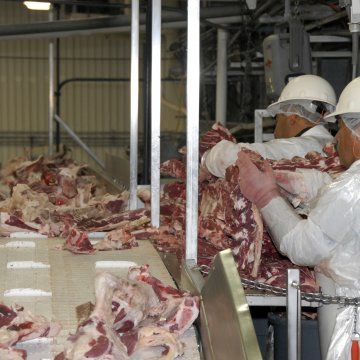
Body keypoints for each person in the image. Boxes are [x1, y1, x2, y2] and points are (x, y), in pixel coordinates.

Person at [237, 76, 360, 360]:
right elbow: (344, 212)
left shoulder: (352, 187)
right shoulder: (349, 186)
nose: (337, 137)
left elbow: (303, 246)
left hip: (352, 321)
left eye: (341, 128)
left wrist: (266, 196)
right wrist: (303, 185)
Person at [201, 74, 337, 179]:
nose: (275, 124)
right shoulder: (331, 145)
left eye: (277, 117)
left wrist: (205, 160)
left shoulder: (301, 147)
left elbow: (229, 157)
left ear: (292, 118)